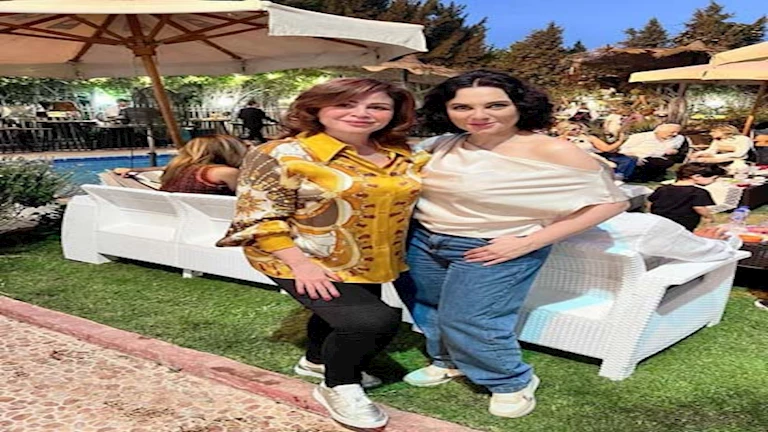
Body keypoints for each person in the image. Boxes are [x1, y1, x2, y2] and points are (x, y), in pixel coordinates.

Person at [397, 70, 628, 418]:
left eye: (495, 105)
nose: (478, 115)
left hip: (493, 245)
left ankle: (510, 381)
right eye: (462, 107)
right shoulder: (444, 144)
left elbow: (612, 202)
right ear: (446, 110)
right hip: (425, 238)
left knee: (473, 318)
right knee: (428, 306)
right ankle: (448, 361)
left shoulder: (553, 149)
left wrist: (529, 242)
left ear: (520, 105)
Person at [216, 78, 422, 429]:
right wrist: (301, 265)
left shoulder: (401, 153)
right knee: (371, 321)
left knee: (338, 316)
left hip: (369, 257)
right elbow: (259, 217)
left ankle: (316, 360)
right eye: (345, 104)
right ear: (317, 108)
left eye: (377, 107)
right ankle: (339, 385)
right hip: (298, 255)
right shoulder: (280, 153)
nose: (362, 113)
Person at [567, 212, 743, 262]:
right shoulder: (647, 226)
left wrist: (688, 238)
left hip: (570, 285)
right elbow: (714, 251)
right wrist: (710, 241)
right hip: (637, 292)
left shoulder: (557, 224)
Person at [647, 163, 725, 232]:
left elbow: (650, 202)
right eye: (714, 178)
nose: (714, 181)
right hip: (683, 223)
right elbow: (699, 208)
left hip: (659, 220)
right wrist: (708, 217)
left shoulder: (662, 188)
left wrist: (652, 214)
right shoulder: (698, 192)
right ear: (697, 176)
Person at [159, 134, 246, 195]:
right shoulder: (225, 173)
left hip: (180, 214)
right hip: (216, 215)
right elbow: (249, 197)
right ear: (231, 152)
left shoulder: (175, 170)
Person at [554, 121, 636, 180]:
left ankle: (619, 177)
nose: (578, 131)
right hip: (571, 160)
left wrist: (620, 141)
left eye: (579, 128)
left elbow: (606, 148)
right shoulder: (558, 140)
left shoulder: (589, 138)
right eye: (574, 129)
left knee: (629, 159)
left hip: (592, 157)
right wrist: (564, 137)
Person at [605, 123, 686, 182]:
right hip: (637, 156)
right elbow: (624, 149)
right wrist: (637, 157)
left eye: (677, 132)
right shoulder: (640, 137)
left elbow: (676, 148)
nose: (675, 134)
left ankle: (650, 177)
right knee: (638, 162)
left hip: (657, 157)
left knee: (663, 162)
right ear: (659, 131)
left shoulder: (679, 138)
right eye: (672, 132)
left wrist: (674, 151)